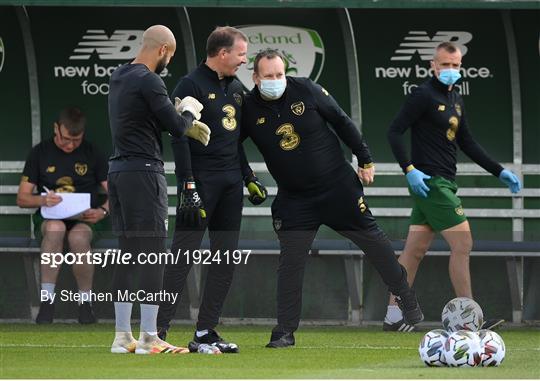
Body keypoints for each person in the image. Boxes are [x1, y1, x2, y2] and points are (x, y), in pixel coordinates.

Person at [240, 48, 423, 348]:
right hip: (295, 199)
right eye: (269, 76)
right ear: (256, 77)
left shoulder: (307, 90)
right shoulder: (248, 108)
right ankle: (285, 330)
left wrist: (364, 158)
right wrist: (248, 177)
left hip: (337, 188)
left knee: (376, 246)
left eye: (279, 74)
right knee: (290, 264)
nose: (275, 80)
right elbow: (230, 145)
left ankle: (404, 294)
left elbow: (340, 120)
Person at [384, 41, 522, 332]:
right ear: (432, 65)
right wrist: (409, 170)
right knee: (463, 244)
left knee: (414, 251)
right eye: (444, 64)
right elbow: (394, 131)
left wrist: (500, 172)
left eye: (455, 65)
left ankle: (394, 316)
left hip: (444, 182)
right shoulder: (422, 95)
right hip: (431, 183)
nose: (450, 70)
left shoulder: (456, 98)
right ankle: (469, 320)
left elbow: (467, 142)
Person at [156, 26, 266, 354]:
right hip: (200, 183)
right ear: (222, 53)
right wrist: (187, 185)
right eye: (241, 55)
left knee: (225, 258)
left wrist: (248, 176)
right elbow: (179, 137)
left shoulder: (235, 88)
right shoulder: (190, 85)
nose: (244, 61)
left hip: (231, 185)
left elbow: (235, 141)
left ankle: (205, 331)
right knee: (182, 256)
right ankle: (156, 331)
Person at [107, 24, 210, 355]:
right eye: (171, 55)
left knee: (127, 255)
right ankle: (150, 337)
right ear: (163, 49)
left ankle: (123, 338)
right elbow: (176, 127)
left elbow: (149, 119)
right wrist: (190, 111)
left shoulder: (120, 75)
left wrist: (176, 117)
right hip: (144, 174)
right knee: (152, 255)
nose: (169, 63)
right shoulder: (151, 80)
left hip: (119, 173)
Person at [17, 107, 108, 325]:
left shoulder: (92, 152)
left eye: (76, 140)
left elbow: (114, 192)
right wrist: (42, 200)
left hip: (85, 217)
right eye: (66, 139)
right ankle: (47, 302)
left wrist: (103, 211)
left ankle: (85, 304)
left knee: (77, 238)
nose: (70, 145)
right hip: (50, 216)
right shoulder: (40, 152)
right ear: (56, 129)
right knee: (55, 228)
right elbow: (22, 198)